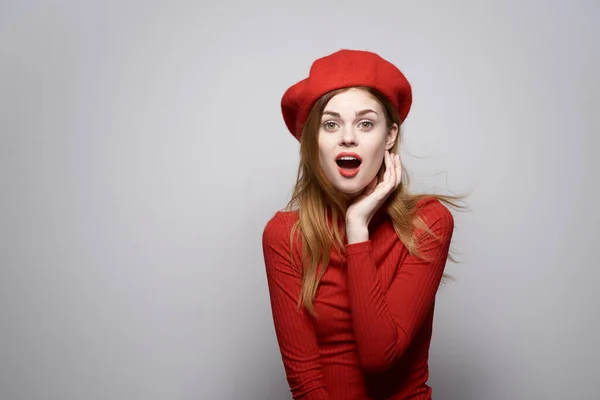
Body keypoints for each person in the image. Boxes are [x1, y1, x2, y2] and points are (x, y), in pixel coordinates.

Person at [262, 49, 463, 400]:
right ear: (314, 141)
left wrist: (357, 229)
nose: (349, 137)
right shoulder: (284, 235)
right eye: (331, 123)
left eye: (366, 123)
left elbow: (378, 355)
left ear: (389, 137)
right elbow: (305, 381)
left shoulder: (428, 223)